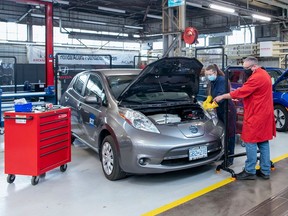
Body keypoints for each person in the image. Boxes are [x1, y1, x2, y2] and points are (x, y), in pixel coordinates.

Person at [214, 56, 276, 180]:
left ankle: (250, 171)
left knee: (250, 141)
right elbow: (253, 93)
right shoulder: (264, 74)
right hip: (265, 113)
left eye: (246, 68)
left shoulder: (256, 77)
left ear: (254, 66)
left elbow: (242, 91)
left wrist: (223, 96)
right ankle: (265, 171)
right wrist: (243, 96)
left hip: (256, 115)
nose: (245, 70)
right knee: (263, 142)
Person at [204, 64, 236, 167]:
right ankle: (225, 154)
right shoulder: (213, 81)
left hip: (228, 109)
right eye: (207, 75)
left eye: (210, 74)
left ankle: (230, 158)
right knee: (224, 133)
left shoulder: (222, 80)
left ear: (215, 73)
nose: (208, 77)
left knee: (230, 134)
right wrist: (208, 99)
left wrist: (211, 104)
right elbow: (213, 94)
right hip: (221, 110)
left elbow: (220, 96)